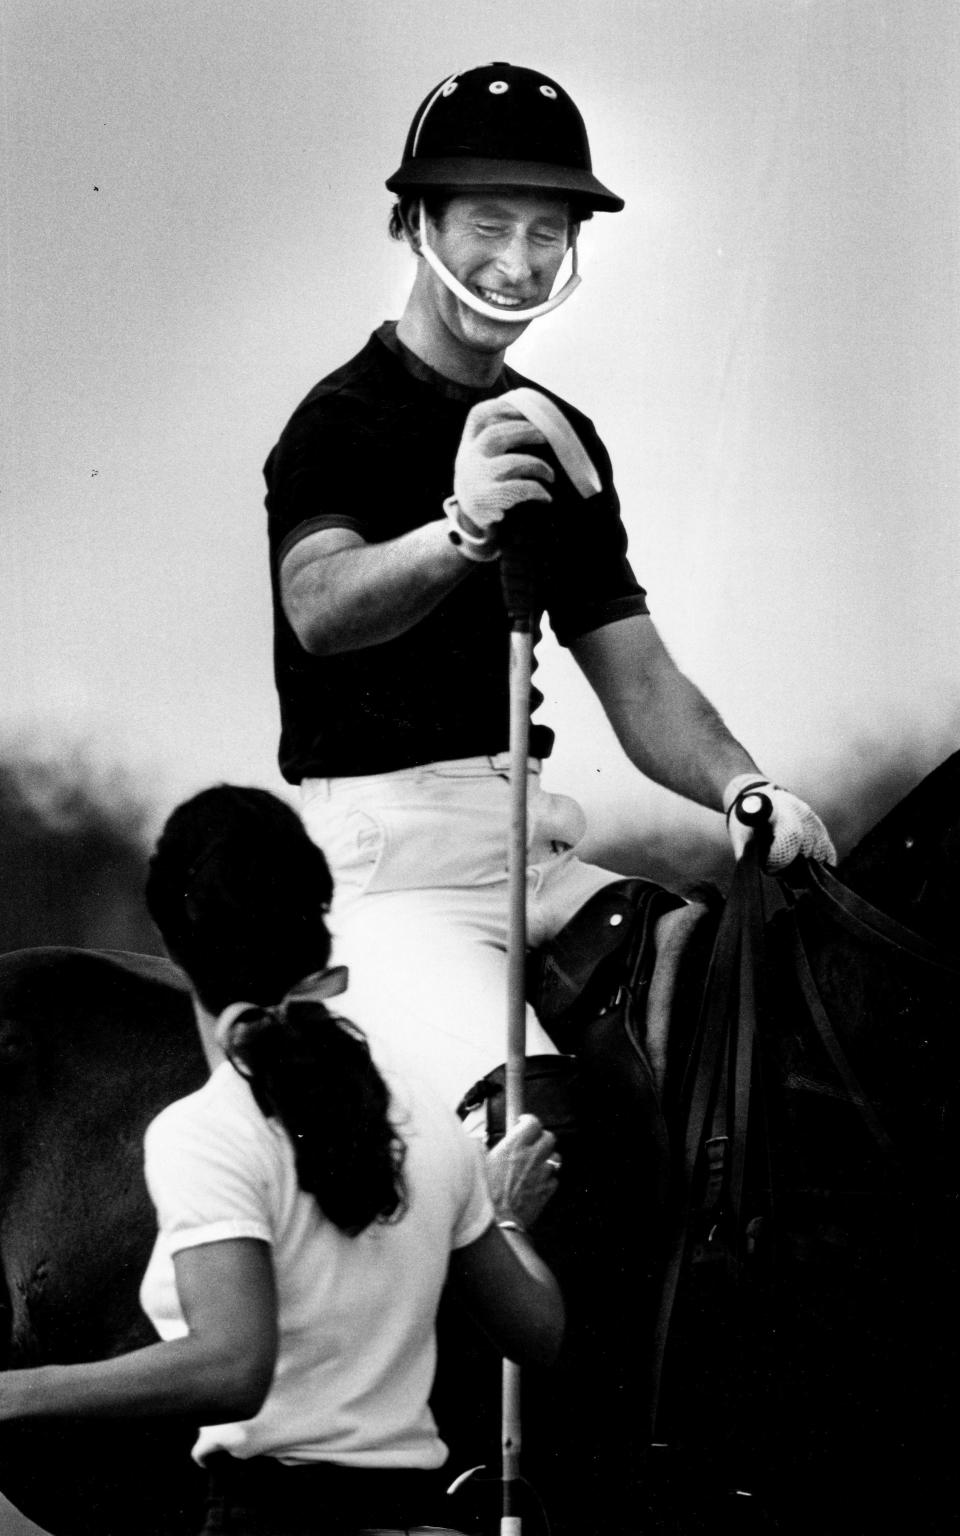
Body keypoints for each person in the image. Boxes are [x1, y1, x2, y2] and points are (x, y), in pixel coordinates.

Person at [263, 60, 836, 1113]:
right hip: (390, 879)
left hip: (539, 856)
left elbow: (641, 679)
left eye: (547, 233)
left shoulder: (559, 434)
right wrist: (460, 528)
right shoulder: (339, 419)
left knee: (751, 1022)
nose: (520, 263)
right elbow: (319, 607)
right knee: (549, 1134)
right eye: (489, 224)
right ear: (415, 224)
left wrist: (743, 789)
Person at [0, 785, 564, 1536]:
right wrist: (507, 1217)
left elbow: (233, 1367)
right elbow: (537, 1332)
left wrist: (14, 1396)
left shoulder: (205, 1129)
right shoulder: (424, 1115)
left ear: (171, 943)